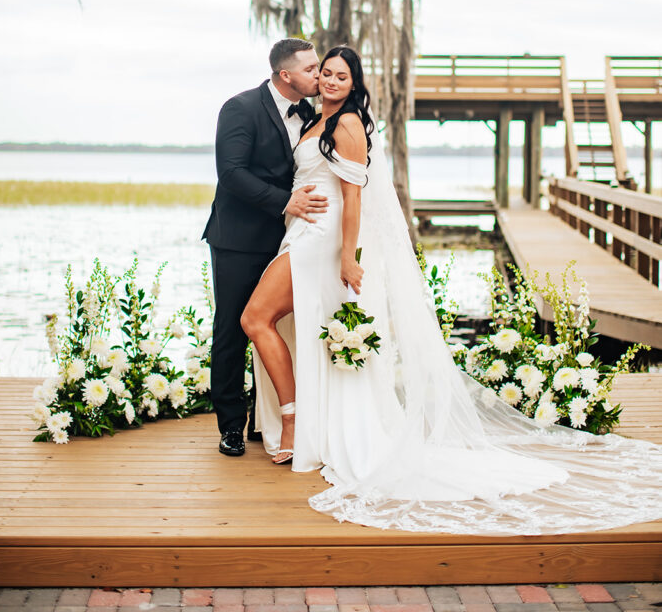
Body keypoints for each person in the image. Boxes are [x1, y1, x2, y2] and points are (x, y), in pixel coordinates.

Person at [242, 44, 662, 533]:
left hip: (323, 239)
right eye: (326, 73)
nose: (331, 80)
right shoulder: (316, 120)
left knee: (255, 318)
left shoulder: (349, 126)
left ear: (354, 84)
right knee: (291, 326)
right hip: (303, 232)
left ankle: (294, 419)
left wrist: (347, 255)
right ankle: (305, 420)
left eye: (340, 75)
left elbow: (353, 201)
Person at [202, 38, 328, 457]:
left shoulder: (311, 112)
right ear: (285, 75)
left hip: (291, 240)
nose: (319, 74)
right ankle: (231, 426)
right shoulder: (240, 108)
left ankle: (265, 418)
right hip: (238, 239)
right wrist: (284, 202)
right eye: (311, 69)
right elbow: (232, 173)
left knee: (278, 327)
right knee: (233, 329)